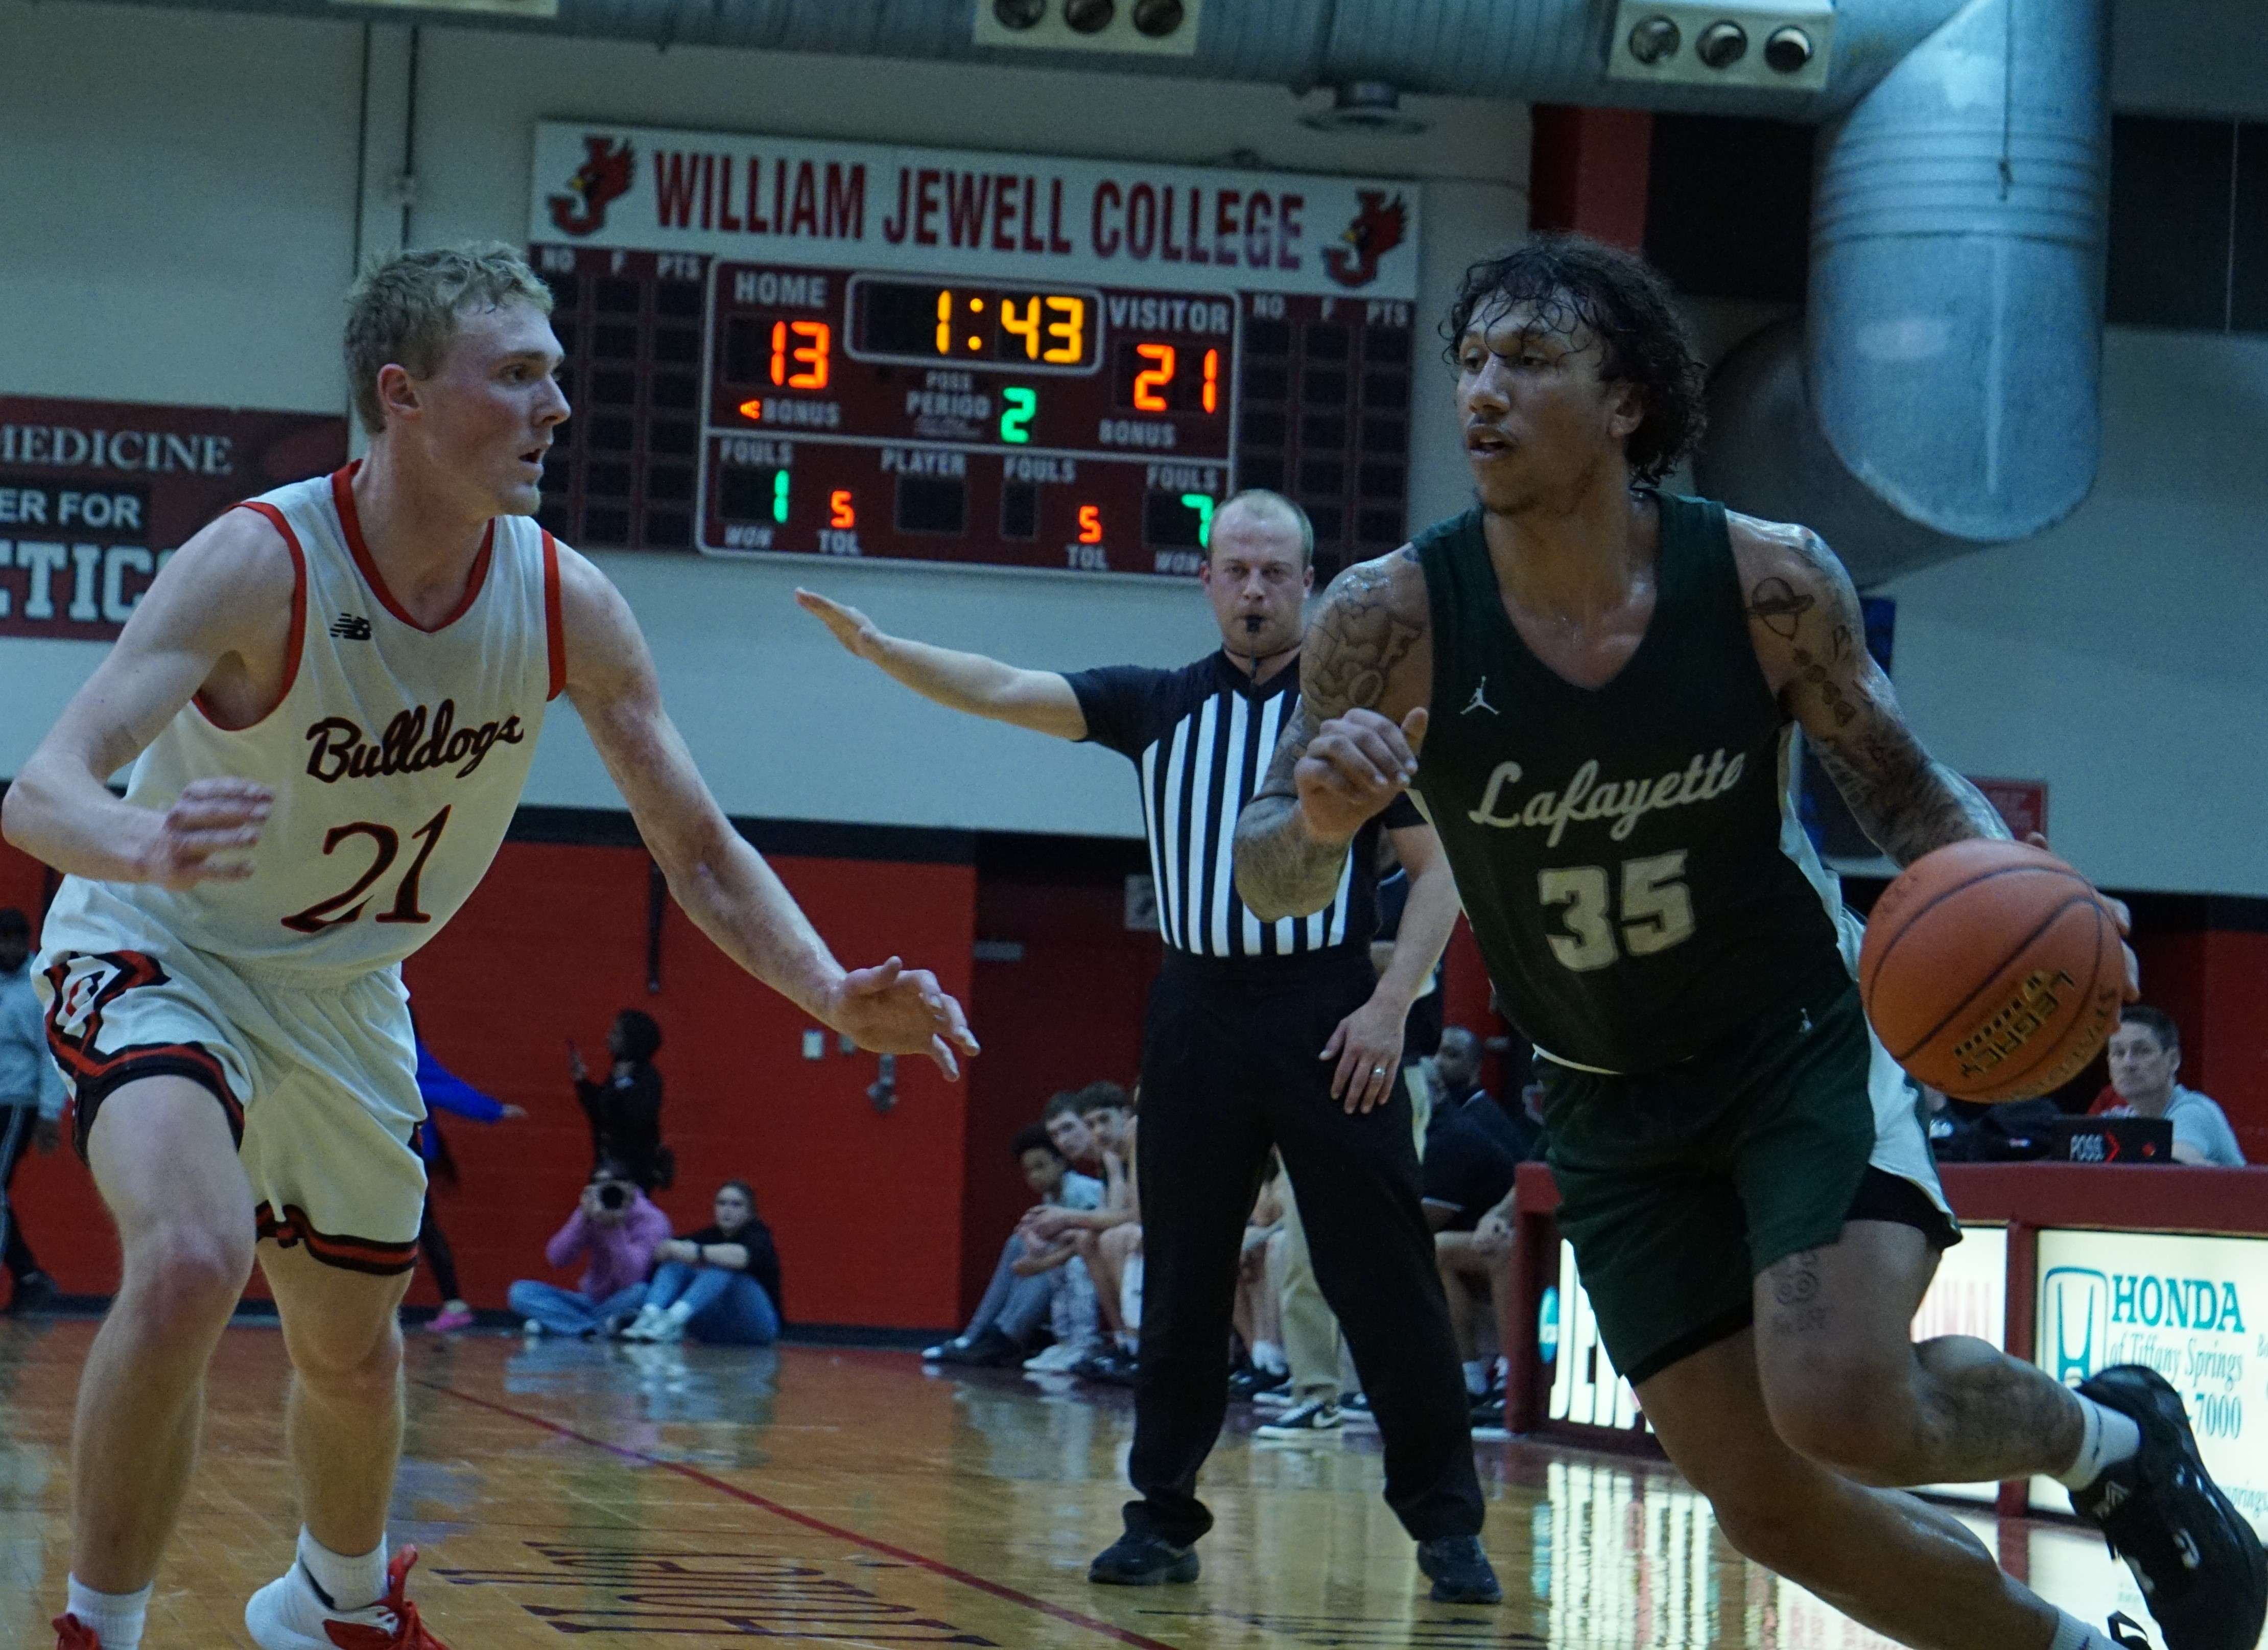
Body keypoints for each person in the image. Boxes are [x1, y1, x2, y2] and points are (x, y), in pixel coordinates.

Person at [1232, 234, 2262, 1650]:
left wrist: (2024, 887)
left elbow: (1898, 783)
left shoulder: (1766, 579)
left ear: (1627, 401)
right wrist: (1324, 818)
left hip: (1791, 1048)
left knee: (1838, 1394)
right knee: (1766, 1504)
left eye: (1530, 361)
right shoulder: (1386, 616)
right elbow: (1272, 876)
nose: (1483, 391)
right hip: (1604, 1093)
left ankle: (2112, 1437)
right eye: (1471, 360)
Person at [3, 242, 976, 1650]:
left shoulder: (564, 597)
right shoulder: (257, 560)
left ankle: (333, 1604)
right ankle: (101, 1622)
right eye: (517, 375)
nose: (557, 405)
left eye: (558, 373)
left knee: (350, 1343)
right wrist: (141, 841)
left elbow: (696, 848)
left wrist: (826, 984)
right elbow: (44, 788)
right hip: (165, 945)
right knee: (197, 1253)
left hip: (342, 992)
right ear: (401, 396)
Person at [799, 490, 1497, 1605]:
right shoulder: (1157, 703)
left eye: (1278, 570)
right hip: (1197, 1014)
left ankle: (1448, 1530)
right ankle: (1161, 1516)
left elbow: (1441, 868)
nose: (1259, 588)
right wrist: (889, 651)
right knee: (1179, 1278)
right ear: (1208, 582)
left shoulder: (1356, 722)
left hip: (1329, 1010)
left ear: (1310, 585)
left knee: (1387, 1276)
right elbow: (1005, 689)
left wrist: (1391, 1004)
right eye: (1239, 570)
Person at [925, 1119, 1103, 1367]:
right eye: (1028, 1171)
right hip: (1069, 1261)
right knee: (1017, 1243)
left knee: (1043, 1260)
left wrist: (1044, 1255)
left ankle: (1007, 1334)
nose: (1035, 1176)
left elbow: (1092, 1240)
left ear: (1062, 1162)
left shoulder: (1083, 1191)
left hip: (1090, 1265)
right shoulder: (1053, 1195)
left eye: (1041, 1167)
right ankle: (975, 1334)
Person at [409, 1034, 527, 1333]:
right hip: (395, 1150)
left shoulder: (403, 1047)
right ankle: (453, 1304)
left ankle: (454, 1304)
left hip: (409, 1151)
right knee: (420, 1226)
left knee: (422, 1226)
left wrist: (491, 1110)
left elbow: (443, 1086)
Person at [1420, 1094, 1524, 1419]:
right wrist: (1498, 1215)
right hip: (1527, 1232)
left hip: (1566, 1239)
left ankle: (1512, 1383)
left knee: (1505, 1250)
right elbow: (1533, 1175)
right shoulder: (1560, 1131)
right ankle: (1470, 1380)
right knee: (1440, 1249)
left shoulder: (1456, 1135)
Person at [509, 1162, 670, 1337]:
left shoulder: (652, 1221)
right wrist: (582, 1219)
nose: (607, 1191)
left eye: (613, 1185)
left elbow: (632, 1278)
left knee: (640, 1292)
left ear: (631, 1188)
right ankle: (594, 1329)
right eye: (599, 1184)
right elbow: (556, 1259)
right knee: (520, 1292)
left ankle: (563, 1325)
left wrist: (614, 1228)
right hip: (590, 1299)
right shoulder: (590, 1211)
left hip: (626, 1300)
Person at [620, 1178, 783, 1345]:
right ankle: (650, 1315)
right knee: (676, 1263)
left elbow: (742, 1256)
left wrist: (698, 1253)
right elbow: (665, 1251)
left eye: (736, 1205)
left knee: (723, 1265)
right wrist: (671, 1250)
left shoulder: (759, 1235)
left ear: (750, 1212)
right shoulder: (709, 1235)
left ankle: (673, 1319)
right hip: (714, 1329)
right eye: (722, 1203)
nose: (727, 1210)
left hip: (758, 1327)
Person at [0, 907, 66, 1314]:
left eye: (15, 940)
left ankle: (30, 1277)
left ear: (26, 942)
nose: (8, 947)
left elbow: (51, 1055)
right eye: (2, 939)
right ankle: (30, 1277)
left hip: (16, 1104)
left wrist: (48, 1113)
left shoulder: (36, 987)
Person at [2093, 1006, 2247, 1167]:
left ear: (2173, 1060)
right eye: (2118, 1053)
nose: (2128, 1063)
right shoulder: (2116, 1120)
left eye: (2142, 1051)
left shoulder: (2194, 1111)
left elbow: (2174, 1168)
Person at [570, 1008, 668, 1189]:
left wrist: (623, 1083)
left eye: (616, 1033)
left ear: (631, 1040)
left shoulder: (648, 1077)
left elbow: (637, 1116)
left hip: (634, 1172)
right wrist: (582, 1082)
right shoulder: (618, 1072)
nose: (608, 1037)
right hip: (607, 1164)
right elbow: (601, 1113)